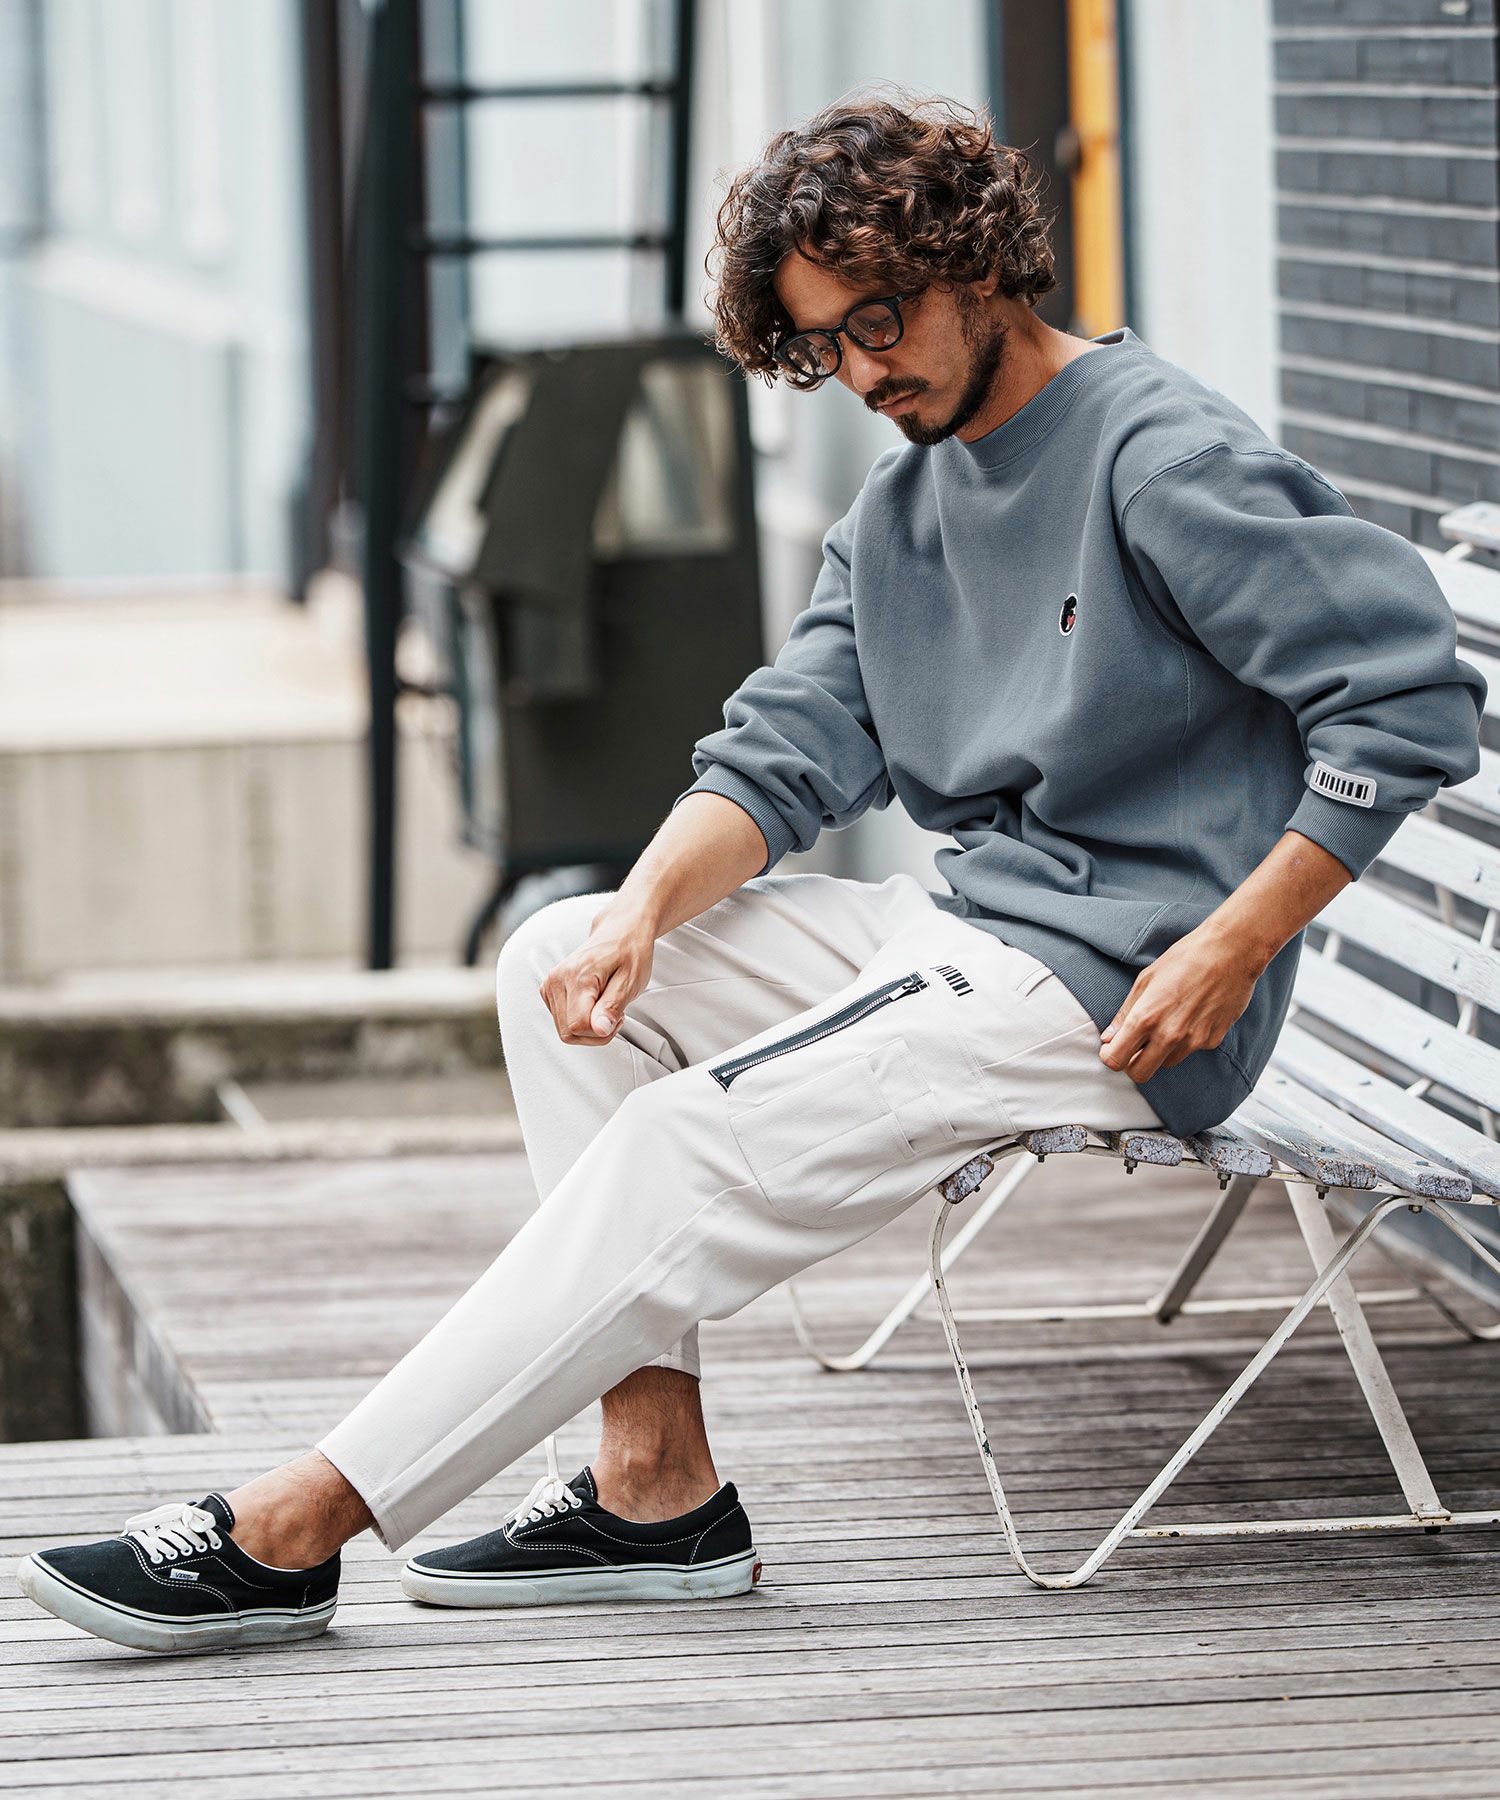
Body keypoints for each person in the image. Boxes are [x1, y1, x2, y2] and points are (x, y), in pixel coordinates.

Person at [18, 91, 1486, 1655]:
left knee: (681, 1147)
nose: (863, 370)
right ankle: (654, 1484)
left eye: (880, 320)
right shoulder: (906, 504)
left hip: (1130, 985)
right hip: (983, 925)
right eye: (825, 344)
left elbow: (1405, 697)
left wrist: (1237, 944)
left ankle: (295, 1523)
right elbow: (791, 744)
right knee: (559, 958)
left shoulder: (1158, 454)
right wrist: (643, 911)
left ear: (976, 262)